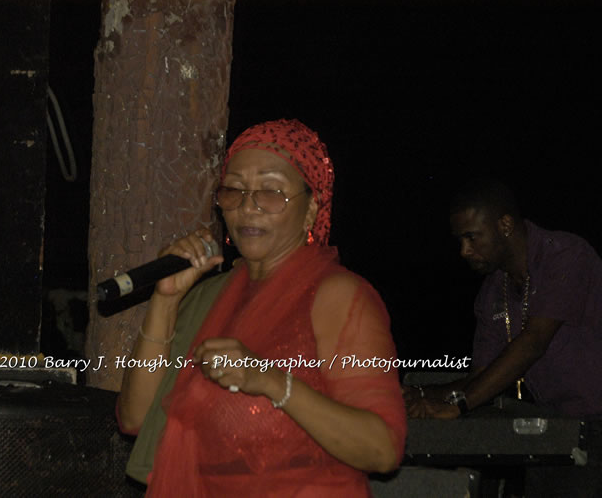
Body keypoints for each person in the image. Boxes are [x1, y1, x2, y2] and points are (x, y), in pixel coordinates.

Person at [116, 119, 406, 497]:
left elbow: (382, 449)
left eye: (271, 192)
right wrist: (166, 300)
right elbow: (134, 418)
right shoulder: (210, 298)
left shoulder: (338, 296)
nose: (248, 207)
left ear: (310, 208)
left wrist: (271, 382)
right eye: (234, 190)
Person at [405, 179, 602, 420]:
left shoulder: (565, 255)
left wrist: (459, 406)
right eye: (460, 240)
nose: (464, 250)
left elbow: (534, 341)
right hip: (566, 425)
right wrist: (423, 395)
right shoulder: (492, 291)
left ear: (505, 225)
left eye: (472, 237)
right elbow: (482, 375)